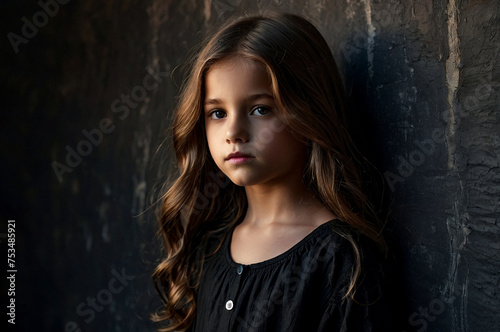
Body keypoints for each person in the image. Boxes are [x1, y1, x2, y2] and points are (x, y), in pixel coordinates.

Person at [152, 12, 395, 332]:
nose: (234, 132)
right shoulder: (207, 246)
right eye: (217, 113)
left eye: (260, 109)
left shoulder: (341, 262)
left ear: (309, 112)